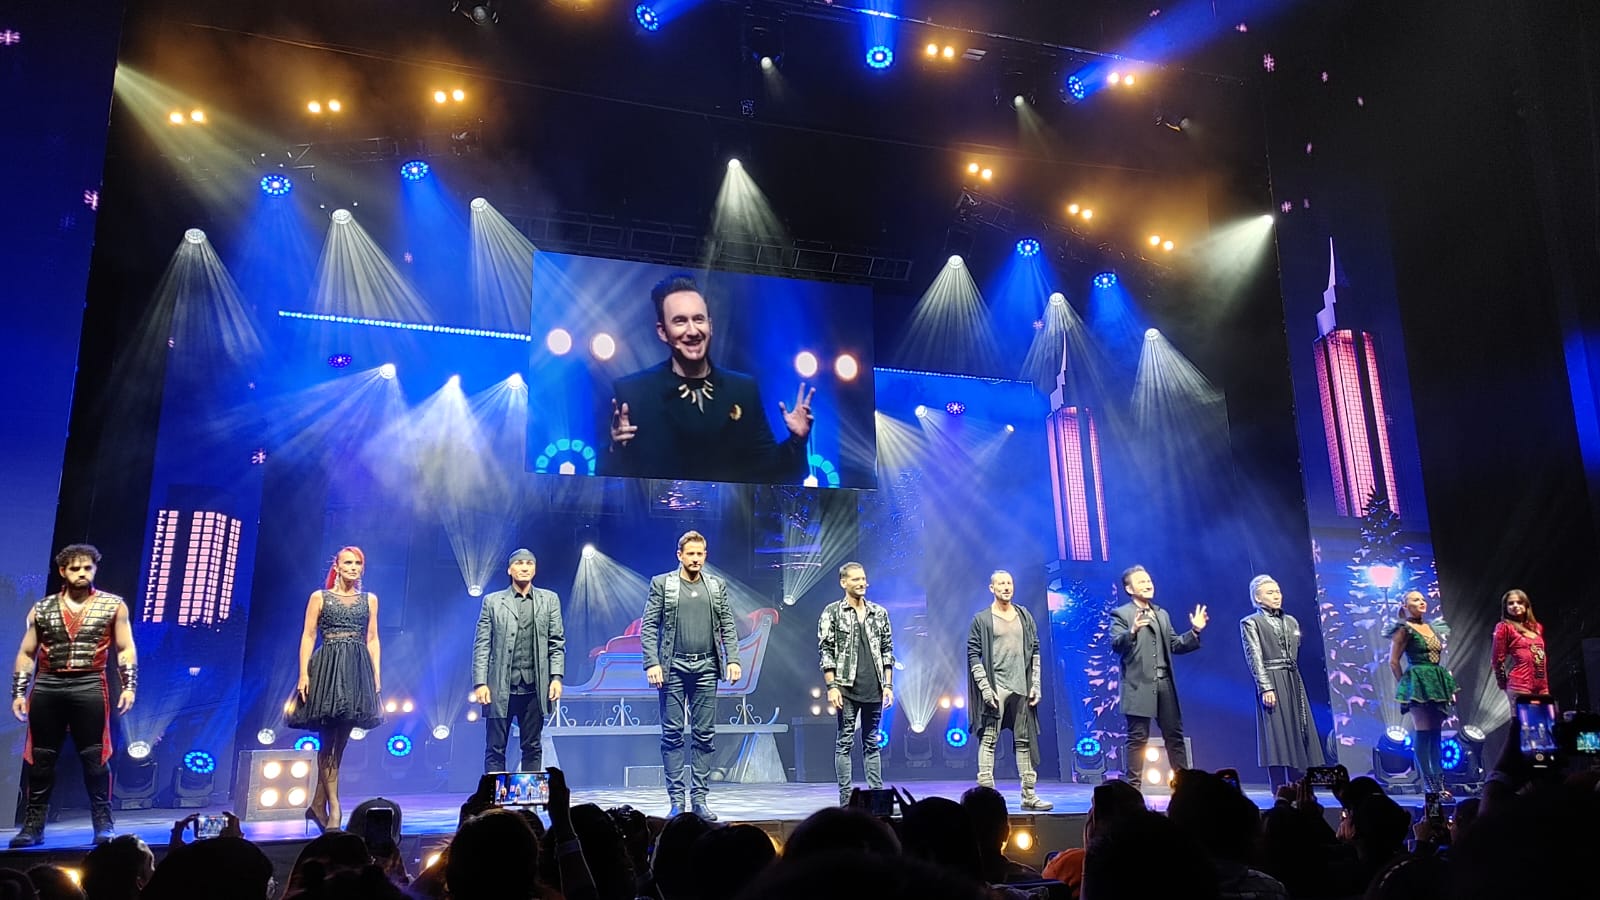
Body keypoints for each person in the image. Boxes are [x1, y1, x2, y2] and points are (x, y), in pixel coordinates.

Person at [600, 272, 815, 483]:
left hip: (732, 508)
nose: (693, 331)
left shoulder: (742, 390)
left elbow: (770, 473)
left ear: (710, 326)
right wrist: (614, 448)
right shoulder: (633, 393)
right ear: (662, 332)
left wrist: (797, 441)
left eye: (699, 319)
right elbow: (607, 483)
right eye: (680, 321)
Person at [10, 543, 137, 847]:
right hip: (48, 684)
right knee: (41, 758)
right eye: (75, 568)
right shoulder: (42, 608)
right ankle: (33, 826)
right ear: (62, 571)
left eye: (87, 568)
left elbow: (125, 648)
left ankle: (103, 823)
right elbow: (27, 652)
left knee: (95, 758)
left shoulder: (113, 605)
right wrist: (19, 692)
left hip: (89, 683)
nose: (82, 573)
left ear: (95, 569)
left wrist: (129, 685)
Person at [640, 530, 741, 821]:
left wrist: (733, 659)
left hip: (707, 667)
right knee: (672, 734)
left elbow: (727, 624)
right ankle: (676, 801)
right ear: (680, 555)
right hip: (673, 667)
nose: (695, 559)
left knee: (704, 735)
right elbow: (649, 626)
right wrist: (652, 663)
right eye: (690, 554)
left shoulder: (716, 585)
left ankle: (699, 800)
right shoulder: (662, 583)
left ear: (705, 555)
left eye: (700, 554)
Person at [286, 546, 383, 832]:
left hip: (356, 669)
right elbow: (308, 635)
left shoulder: (370, 599)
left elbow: (373, 638)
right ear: (337, 567)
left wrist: (376, 675)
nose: (353, 567)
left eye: (358, 563)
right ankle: (334, 807)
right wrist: (303, 673)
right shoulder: (320, 597)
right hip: (327, 668)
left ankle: (318, 804)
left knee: (340, 743)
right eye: (348, 562)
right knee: (328, 740)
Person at [1108, 564, 1207, 788]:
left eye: (1149, 581)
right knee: (1137, 739)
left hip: (1165, 684)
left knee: (1174, 737)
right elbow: (1116, 644)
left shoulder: (1162, 614)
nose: (1148, 585)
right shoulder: (1122, 614)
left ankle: (1184, 787)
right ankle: (1133, 789)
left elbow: (1175, 644)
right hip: (1138, 684)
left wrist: (1195, 631)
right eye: (1141, 582)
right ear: (1129, 589)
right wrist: (1132, 631)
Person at [471, 548, 566, 774]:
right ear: (509, 569)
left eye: (529, 563)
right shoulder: (493, 602)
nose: (524, 567)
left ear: (535, 569)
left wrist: (556, 677)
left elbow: (557, 642)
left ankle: (529, 795)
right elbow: (482, 644)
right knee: (495, 749)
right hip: (500, 687)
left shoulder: (549, 599)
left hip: (534, 687)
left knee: (532, 747)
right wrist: (480, 683)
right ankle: (495, 796)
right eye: (519, 563)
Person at [966, 570, 1053, 810]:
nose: (1006, 587)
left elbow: (1035, 650)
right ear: (991, 588)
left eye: (1009, 583)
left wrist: (1036, 684)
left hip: (1021, 685)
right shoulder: (982, 619)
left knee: (1024, 741)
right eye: (1001, 583)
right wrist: (985, 689)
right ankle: (985, 799)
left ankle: (1029, 795)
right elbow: (973, 654)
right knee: (989, 738)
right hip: (997, 686)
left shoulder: (1024, 615)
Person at [817, 562, 895, 806]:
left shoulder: (879, 612)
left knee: (872, 742)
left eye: (863, 579)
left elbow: (887, 650)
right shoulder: (832, 612)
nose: (862, 583)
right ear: (844, 583)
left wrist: (888, 685)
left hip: (874, 687)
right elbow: (826, 651)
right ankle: (845, 800)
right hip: (846, 687)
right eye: (856, 579)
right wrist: (832, 686)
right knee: (845, 742)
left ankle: (877, 799)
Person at [1239, 574, 1326, 790]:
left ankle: (1301, 787)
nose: (1277, 596)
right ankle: (1279, 790)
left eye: (1278, 591)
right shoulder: (1251, 622)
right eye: (1270, 593)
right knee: (1276, 736)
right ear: (1257, 598)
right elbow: (1254, 656)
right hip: (1272, 679)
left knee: (1299, 729)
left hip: (1293, 679)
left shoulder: (1291, 621)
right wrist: (1265, 687)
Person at [1385, 589, 1458, 796]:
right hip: (1418, 681)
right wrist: (1406, 686)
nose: (1422, 602)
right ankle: (1429, 783)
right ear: (1406, 606)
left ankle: (1439, 782)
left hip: (1436, 679)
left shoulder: (1431, 627)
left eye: (1423, 599)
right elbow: (1393, 661)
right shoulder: (1404, 629)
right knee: (1424, 731)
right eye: (1416, 600)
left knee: (1435, 734)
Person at [1491, 588, 1547, 700]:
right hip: (1520, 686)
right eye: (1511, 603)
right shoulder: (1504, 627)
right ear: (1506, 607)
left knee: (1548, 712)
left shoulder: (1537, 627)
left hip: (1542, 686)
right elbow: (1497, 660)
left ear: (1526, 605)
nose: (1515, 606)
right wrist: (1503, 684)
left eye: (1519, 602)